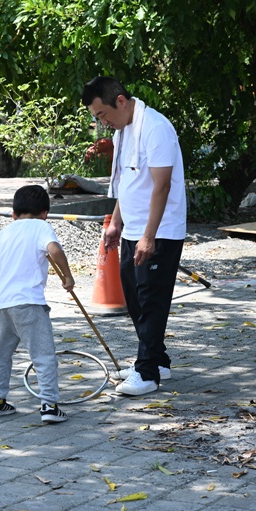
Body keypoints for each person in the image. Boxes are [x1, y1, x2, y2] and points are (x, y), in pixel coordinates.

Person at [82, 76, 187, 397]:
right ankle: (157, 360)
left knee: (151, 300)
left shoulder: (155, 128)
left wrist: (149, 237)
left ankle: (147, 373)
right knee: (135, 297)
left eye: (102, 115)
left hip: (159, 232)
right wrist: (115, 222)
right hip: (132, 229)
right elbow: (127, 183)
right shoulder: (125, 130)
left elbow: (162, 185)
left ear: (121, 101)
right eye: (97, 118)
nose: (102, 123)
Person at [0, 185, 76, 423]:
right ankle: (49, 405)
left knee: (0, 355)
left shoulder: (3, 234)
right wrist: (68, 275)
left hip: (1, 306)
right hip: (29, 304)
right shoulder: (42, 226)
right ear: (45, 213)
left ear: (13, 213)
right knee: (43, 355)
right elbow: (54, 249)